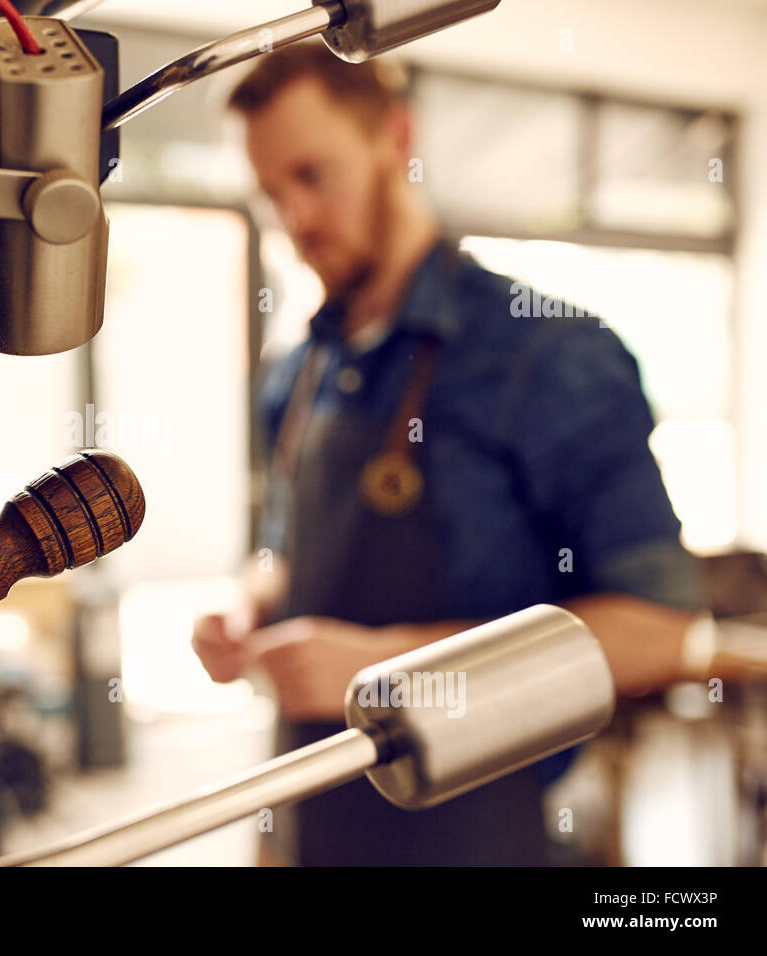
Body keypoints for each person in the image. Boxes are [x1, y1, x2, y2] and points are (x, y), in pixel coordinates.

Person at [191, 44, 709, 866]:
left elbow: (659, 632)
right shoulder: (296, 373)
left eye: (313, 176)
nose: (296, 220)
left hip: (472, 835)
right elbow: (283, 553)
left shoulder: (549, 354)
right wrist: (248, 609)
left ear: (396, 139)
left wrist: (384, 669)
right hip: (310, 822)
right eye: (270, 194)